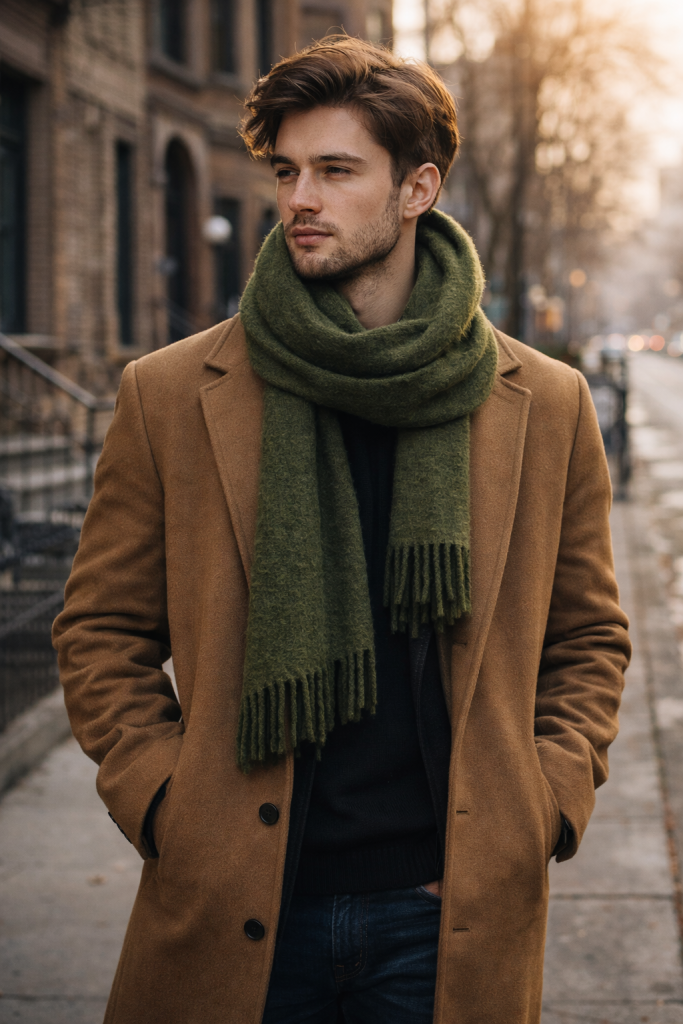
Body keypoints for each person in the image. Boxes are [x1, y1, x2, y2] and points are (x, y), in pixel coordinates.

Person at [53, 36, 631, 1024]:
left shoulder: (543, 403)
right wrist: (165, 805)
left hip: (445, 917)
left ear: (417, 189)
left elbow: (586, 641)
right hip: (236, 904)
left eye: (334, 171)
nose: (296, 200)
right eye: (286, 170)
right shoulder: (170, 394)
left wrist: (537, 807)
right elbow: (99, 632)